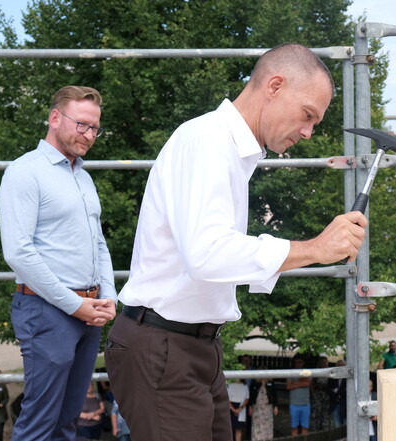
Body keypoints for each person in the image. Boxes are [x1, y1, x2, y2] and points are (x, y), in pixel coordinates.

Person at [104, 43, 367, 441]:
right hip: (163, 347)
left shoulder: (231, 152)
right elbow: (207, 255)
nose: (309, 132)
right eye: (308, 115)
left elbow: (217, 260)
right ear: (274, 86)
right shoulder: (208, 141)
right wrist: (314, 248)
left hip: (192, 346)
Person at [0, 85, 117, 441]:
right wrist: (75, 305)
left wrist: (108, 295)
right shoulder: (25, 172)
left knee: (69, 422)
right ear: (54, 118)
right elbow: (18, 252)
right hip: (47, 311)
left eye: (95, 128)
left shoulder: (83, 176)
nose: (89, 135)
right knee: (39, 423)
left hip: (87, 310)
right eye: (82, 125)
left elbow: (98, 241)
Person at [287, 357, 312, 436]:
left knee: (305, 427)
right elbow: (288, 386)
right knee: (294, 427)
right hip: (294, 404)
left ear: (303, 363)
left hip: (305, 404)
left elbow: (307, 383)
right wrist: (301, 383)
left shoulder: (307, 372)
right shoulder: (291, 372)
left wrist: (295, 383)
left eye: (300, 362)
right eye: (297, 362)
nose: (298, 364)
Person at [311, 356, 333, 431]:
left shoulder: (330, 372)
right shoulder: (317, 372)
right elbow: (312, 384)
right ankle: (315, 429)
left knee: (326, 412)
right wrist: (313, 392)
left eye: (326, 363)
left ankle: (326, 429)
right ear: (320, 364)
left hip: (327, 394)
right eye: (323, 363)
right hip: (318, 394)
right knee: (317, 412)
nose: (324, 364)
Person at [329, 359, 347, 427]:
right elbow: (328, 389)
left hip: (345, 404)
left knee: (346, 423)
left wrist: (338, 392)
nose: (340, 368)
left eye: (342, 366)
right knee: (337, 423)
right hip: (335, 403)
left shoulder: (348, 378)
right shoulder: (333, 377)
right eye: (339, 366)